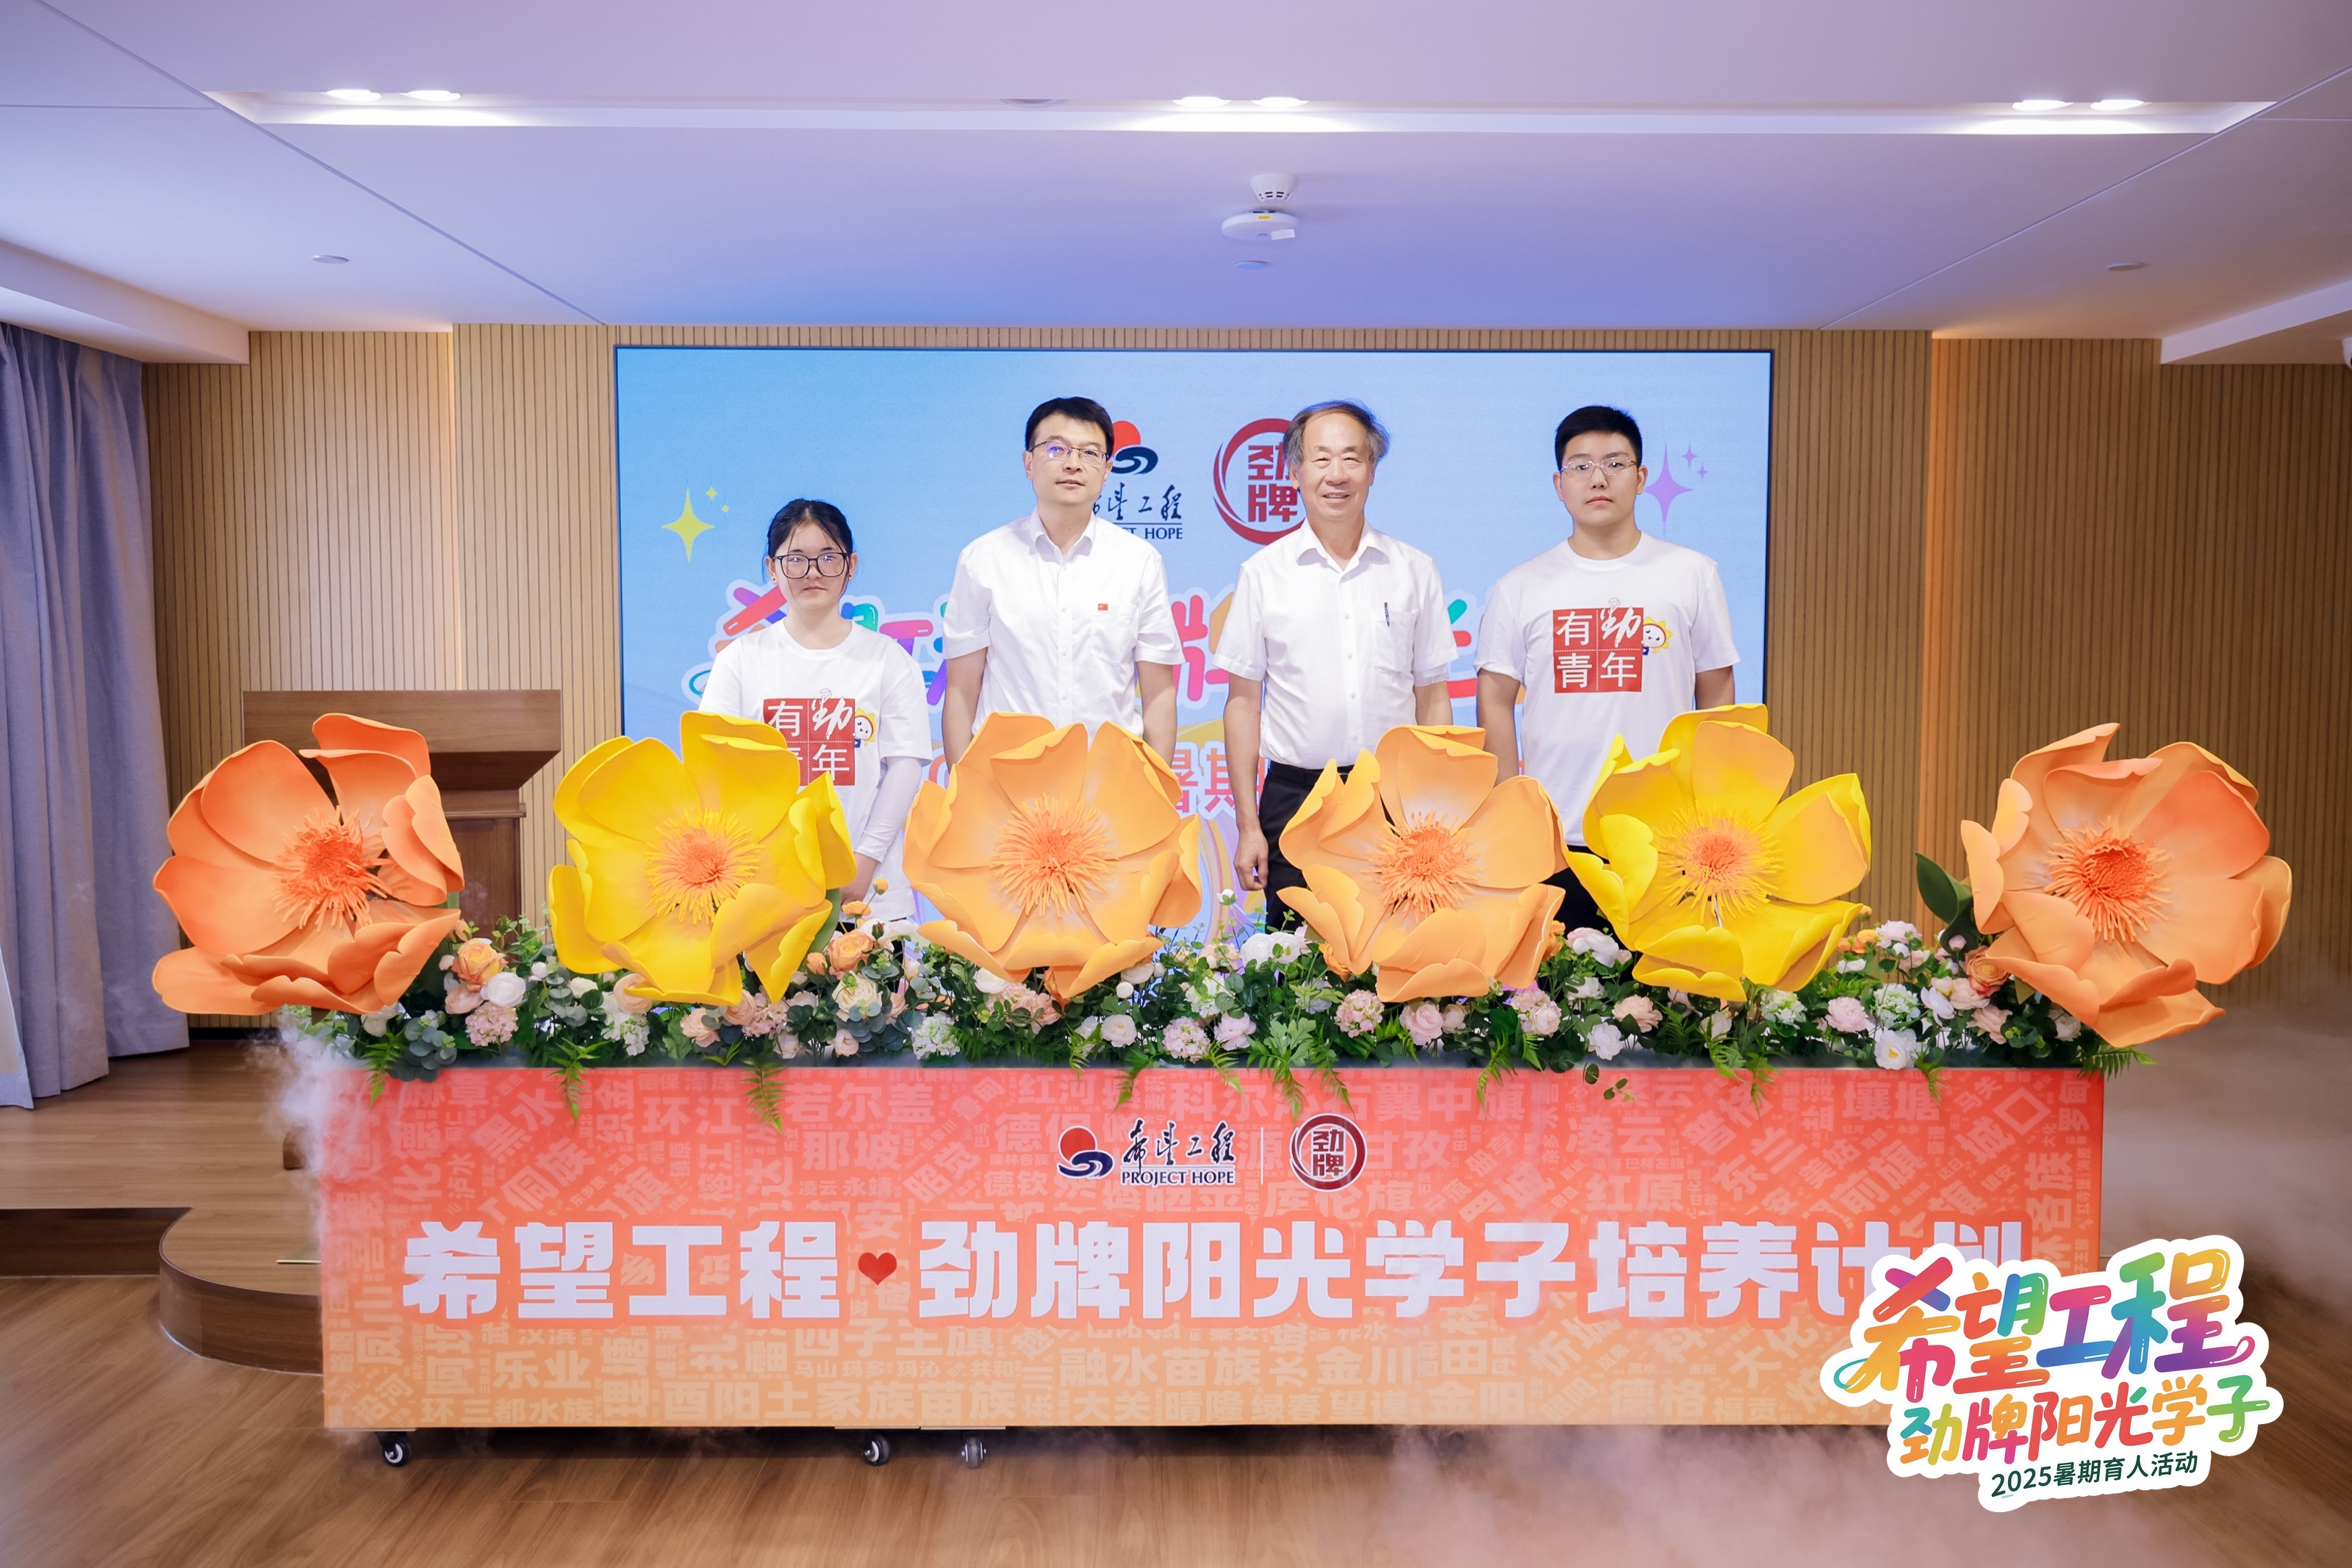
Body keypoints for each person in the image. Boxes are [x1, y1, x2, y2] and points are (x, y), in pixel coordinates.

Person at [1475, 405, 1738, 929]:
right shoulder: (1520, 586)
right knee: (1552, 983)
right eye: (1580, 466)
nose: (1598, 479)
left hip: (1665, 837)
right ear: (1559, 484)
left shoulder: (1691, 574)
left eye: (1615, 464)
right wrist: (1511, 814)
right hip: (1554, 840)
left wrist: (1711, 812)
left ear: (1641, 478)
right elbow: (1495, 701)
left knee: (1666, 982)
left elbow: (1716, 694)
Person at [1214, 400, 1455, 928]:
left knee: (1393, 951)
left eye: (1352, 457)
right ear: (1295, 472)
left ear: (1372, 469)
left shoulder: (1414, 570)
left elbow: (1433, 696)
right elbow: (1243, 704)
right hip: (1297, 798)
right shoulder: (1263, 573)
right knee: (1294, 959)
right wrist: (1249, 827)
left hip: (1394, 801)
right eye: (1321, 459)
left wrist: (1438, 811)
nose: (1337, 474)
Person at [700, 500, 931, 921]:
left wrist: (864, 863)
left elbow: (904, 767)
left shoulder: (887, 659)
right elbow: (715, 769)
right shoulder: (741, 660)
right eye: (796, 559)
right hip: (765, 889)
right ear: (772, 568)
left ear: (851, 565)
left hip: (870, 893)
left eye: (827, 557)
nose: (812, 572)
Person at [940, 396, 1180, 762]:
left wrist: (1156, 788)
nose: (1073, 464)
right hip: (1006, 777)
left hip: (1110, 779)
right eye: (1056, 449)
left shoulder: (1139, 561)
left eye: (1089, 453)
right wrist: (964, 785)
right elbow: (962, 688)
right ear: (1029, 463)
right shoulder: (984, 559)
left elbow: (1159, 691)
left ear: (1107, 470)